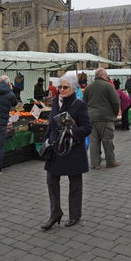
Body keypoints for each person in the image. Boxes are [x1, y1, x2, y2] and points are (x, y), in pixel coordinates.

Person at [41, 75, 93, 229]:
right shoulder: (55, 101)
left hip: (72, 148)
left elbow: (87, 128)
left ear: (73, 89)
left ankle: (75, 215)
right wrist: (46, 141)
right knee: (51, 180)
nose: (62, 90)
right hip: (56, 148)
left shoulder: (79, 104)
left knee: (75, 183)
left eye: (65, 87)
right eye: (60, 87)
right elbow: (51, 124)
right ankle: (55, 213)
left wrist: (73, 130)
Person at [83, 68, 121, 170]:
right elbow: (116, 102)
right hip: (106, 118)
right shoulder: (108, 86)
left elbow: (84, 103)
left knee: (94, 141)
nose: (107, 77)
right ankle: (111, 161)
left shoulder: (88, 87)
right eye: (106, 75)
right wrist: (115, 113)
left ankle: (95, 164)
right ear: (102, 75)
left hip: (91, 118)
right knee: (107, 140)